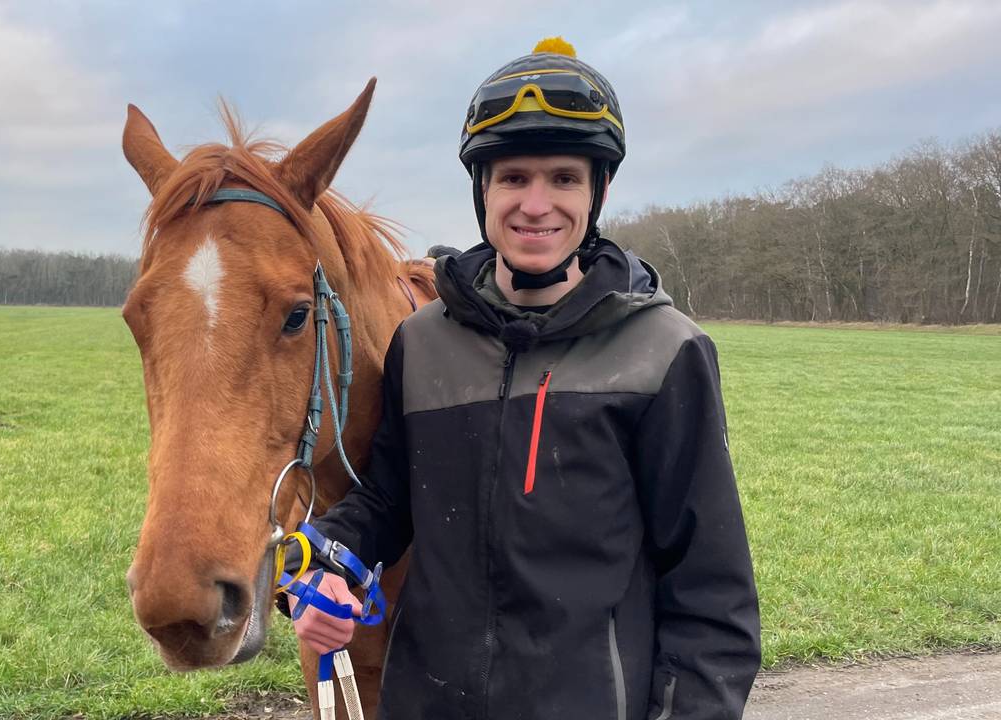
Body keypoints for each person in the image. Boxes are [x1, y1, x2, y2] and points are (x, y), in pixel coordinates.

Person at [291, 37, 761, 719]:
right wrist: (326, 551)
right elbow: (389, 500)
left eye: (563, 178)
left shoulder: (664, 352)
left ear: (599, 190)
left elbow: (711, 593)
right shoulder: (422, 344)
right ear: (483, 187)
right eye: (513, 177)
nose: (536, 204)